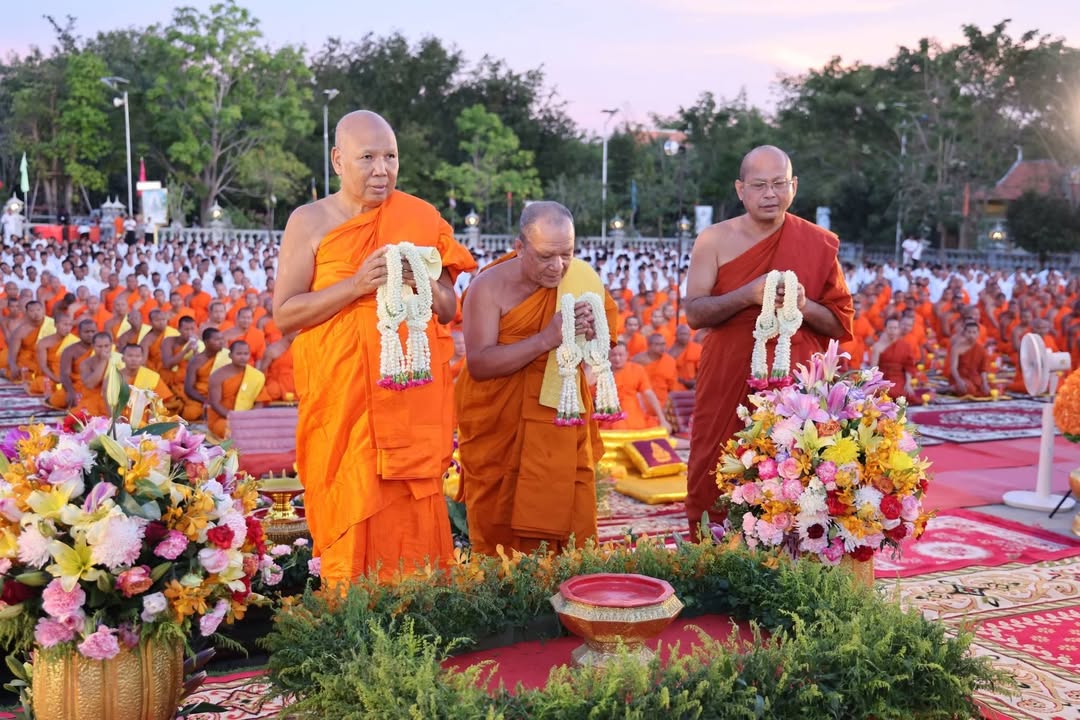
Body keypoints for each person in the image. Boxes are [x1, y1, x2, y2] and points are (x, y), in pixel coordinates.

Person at [272, 110, 476, 587]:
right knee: (353, 504)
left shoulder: (420, 217)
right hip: (345, 402)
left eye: (391, 157)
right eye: (367, 158)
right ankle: (351, 612)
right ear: (338, 160)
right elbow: (286, 314)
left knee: (413, 516)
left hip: (409, 398)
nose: (382, 170)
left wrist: (423, 280)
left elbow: (449, 308)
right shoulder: (310, 221)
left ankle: (420, 610)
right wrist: (356, 285)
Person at [683, 145, 854, 538]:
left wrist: (804, 305)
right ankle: (714, 556)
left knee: (796, 481)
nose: (770, 194)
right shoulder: (713, 239)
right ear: (740, 189)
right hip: (728, 374)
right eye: (759, 185)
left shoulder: (817, 242)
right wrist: (746, 295)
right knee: (714, 468)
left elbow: (839, 322)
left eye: (779, 183)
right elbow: (694, 313)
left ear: (794, 186)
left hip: (795, 385)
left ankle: (793, 558)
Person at [455, 201, 616, 556]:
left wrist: (590, 339)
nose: (557, 267)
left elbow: (601, 350)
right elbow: (479, 364)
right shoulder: (488, 288)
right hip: (499, 424)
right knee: (502, 538)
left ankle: (571, 585)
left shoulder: (581, 281)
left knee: (572, 530)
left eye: (566, 254)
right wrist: (546, 339)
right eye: (545, 256)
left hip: (560, 422)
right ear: (519, 247)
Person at [206, 340, 265, 440]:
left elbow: (260, 402)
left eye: (246, 354)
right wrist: (234, 418)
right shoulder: (218, 375)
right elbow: (215, 403)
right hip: (223, 418)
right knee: (227, 429)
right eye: (239, 354)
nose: (243, 357)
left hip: (247, 418)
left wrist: (250, 417)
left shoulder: (256, 376)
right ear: (230, 355)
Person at [870, 316, 917, 403]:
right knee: (885, 394)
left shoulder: (905, 346)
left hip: (899, 379)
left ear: (898, 329)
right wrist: (877, 383)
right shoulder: (878, 346)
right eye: (890, 328)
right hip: (883, 378)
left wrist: (908, 384)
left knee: (905, 394)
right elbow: (873, 369)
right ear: (885, 329)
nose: (892, 331)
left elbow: (909, 367)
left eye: (895, 328)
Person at [949, 321, 991, 397]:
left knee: (992, 388)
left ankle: (954, 389)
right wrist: (959, 380)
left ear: (978, 334)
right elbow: (953, 368)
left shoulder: (981, 349)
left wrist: (985, 383)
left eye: (974, 332)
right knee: (969, 389)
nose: (971, 335)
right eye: (969, 332)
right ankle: (951, 388)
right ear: (964, 333)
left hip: (975, 377)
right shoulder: (957, 348)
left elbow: (983, 369)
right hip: (961, 377)